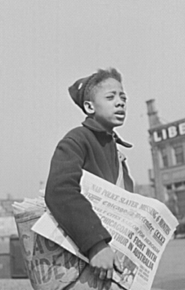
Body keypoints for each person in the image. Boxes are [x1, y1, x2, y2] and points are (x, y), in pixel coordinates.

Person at [45, 67, 134, 288]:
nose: (120, 102)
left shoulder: (116, 151)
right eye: (110, 97)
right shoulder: (77, 140)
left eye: (123, 97)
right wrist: (96, 244)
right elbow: (60, 191)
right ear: (89, 106)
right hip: (86, 261)